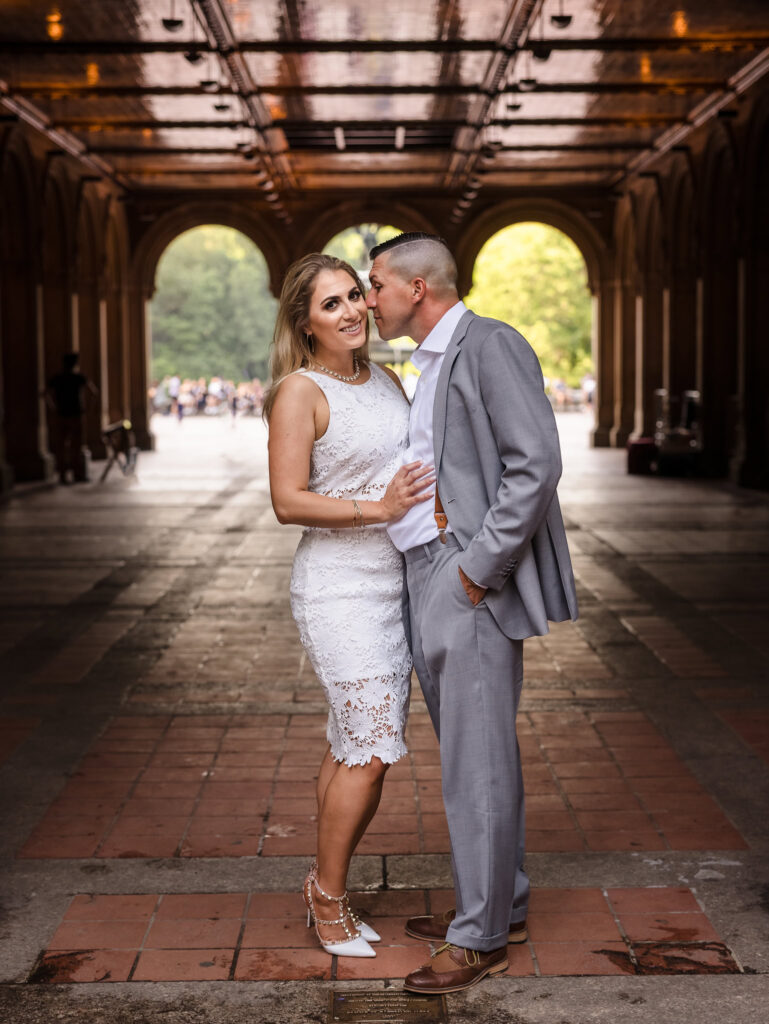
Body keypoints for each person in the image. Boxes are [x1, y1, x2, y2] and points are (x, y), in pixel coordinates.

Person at [366, 233, 578, 994]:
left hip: (464, 578)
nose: (368, 298)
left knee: (475, 764)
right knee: (471, 754)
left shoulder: (490, 345)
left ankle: (479, 936)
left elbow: (536, 462)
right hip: (429, 571)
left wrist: (475, 570)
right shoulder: (427, 363)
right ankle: (502, 907)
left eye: (376, 283)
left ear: (416, 289)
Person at [264, 253, 434, 958]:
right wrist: (380, 507)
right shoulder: (297, 391)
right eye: (329, 304)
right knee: (369, 750)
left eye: (354, 297)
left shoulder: (386, 378)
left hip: (393, 583)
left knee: (355, 745)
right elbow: (286, 501)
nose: (351, 311)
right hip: (337, 587)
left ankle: (324, 884)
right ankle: (329, 900)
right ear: (305, 324)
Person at [45, 352, 97, 484]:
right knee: (76, 446)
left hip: (61, 414)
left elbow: (45, 394)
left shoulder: (57, 378)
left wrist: (53, 408)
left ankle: (63, 475)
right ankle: (77, 474)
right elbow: (94, 392)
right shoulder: (78, 377)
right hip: (76, 415)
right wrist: (88, 409)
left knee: (61, 446)